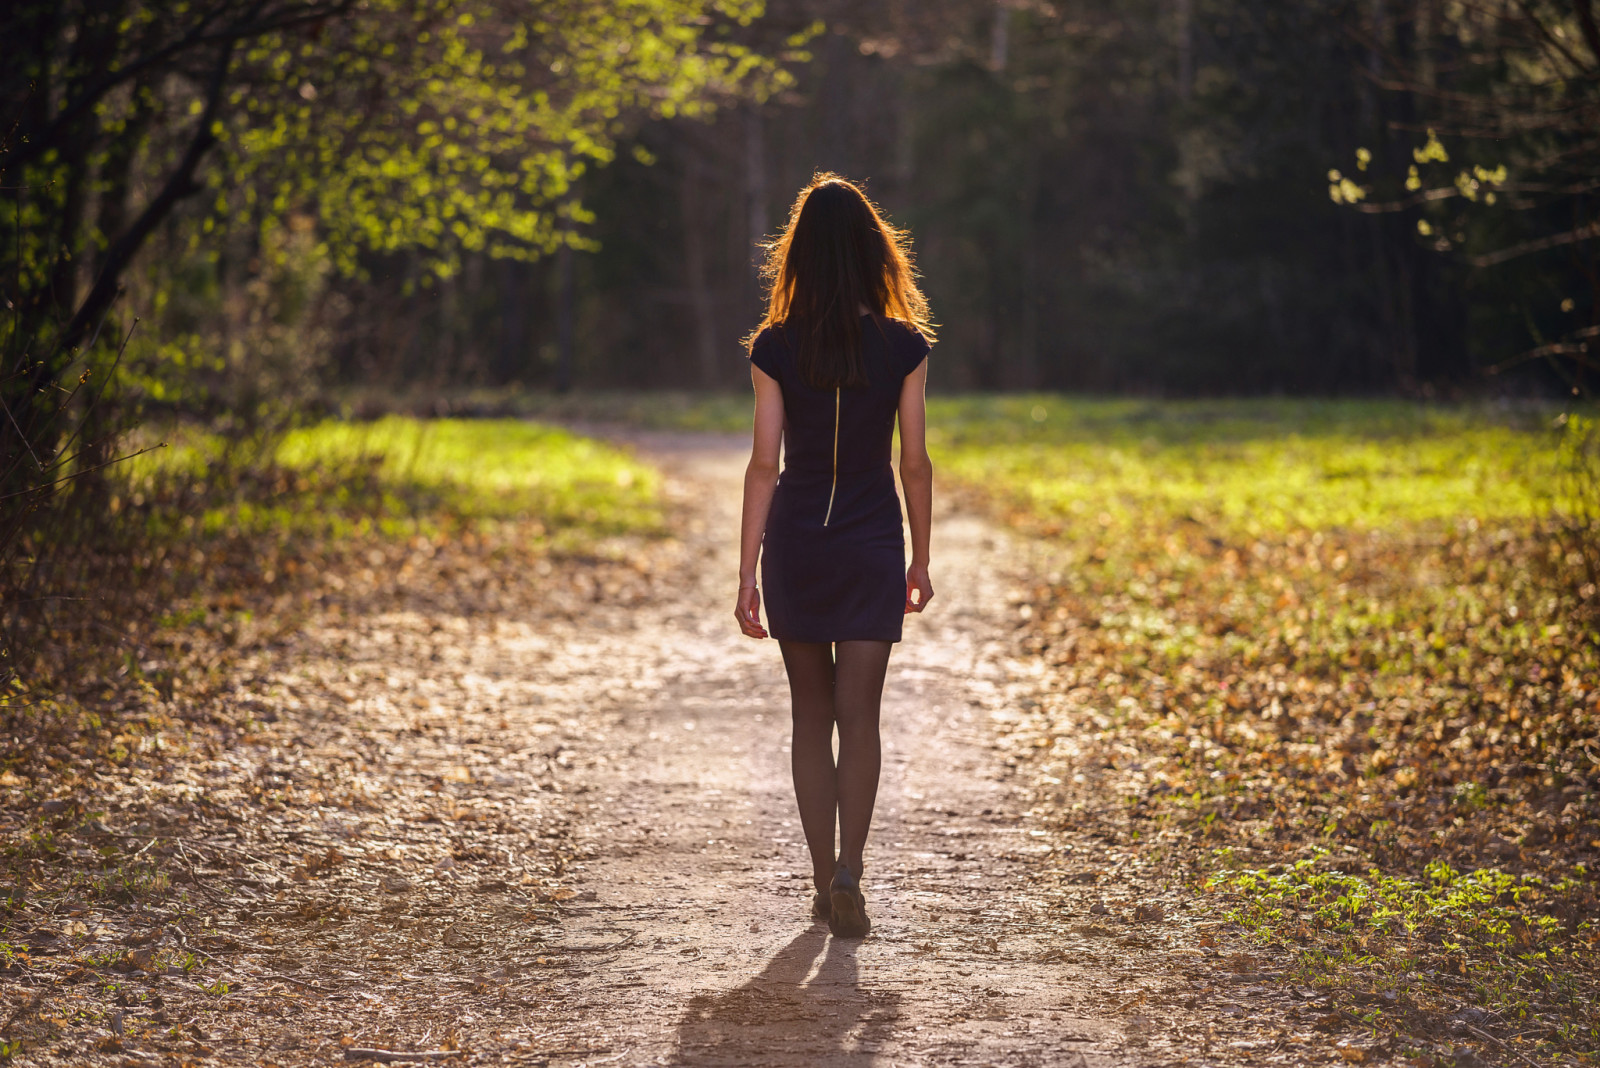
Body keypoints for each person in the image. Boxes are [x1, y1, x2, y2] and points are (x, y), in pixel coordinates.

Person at [734, 173, 935, 939]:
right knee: (862, 713)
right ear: (872, 253)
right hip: (872, 540)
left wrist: (746, 570)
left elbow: (763, 464)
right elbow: (913, 462)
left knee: (810, 715)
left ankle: (823, 884)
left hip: (797, 544)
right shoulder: (903, 346)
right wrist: (920, 556)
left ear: (800, 258)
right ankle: (852, 870)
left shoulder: (775, 348)